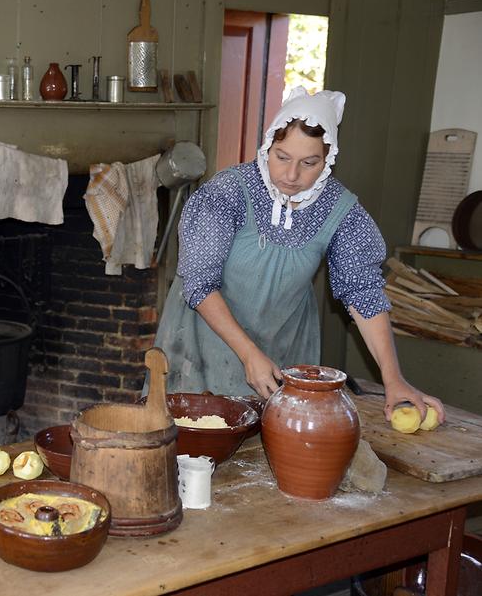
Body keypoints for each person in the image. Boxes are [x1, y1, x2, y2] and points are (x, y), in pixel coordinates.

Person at [153, 87, 444, 423]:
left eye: (309, 163)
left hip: (285, 349)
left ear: (328, 158)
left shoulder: (341, 210)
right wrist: (249, 355)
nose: (292, 176)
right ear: (267, 146)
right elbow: (200, 283)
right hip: (202, 346)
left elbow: (363, 293)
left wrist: (393, 379)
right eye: (282, 157)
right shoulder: (227, 193)